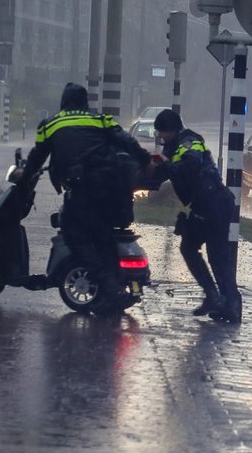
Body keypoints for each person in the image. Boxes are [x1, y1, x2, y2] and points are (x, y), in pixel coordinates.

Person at [17, 83, 151, 313]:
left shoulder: (50, 124)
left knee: (74, 235)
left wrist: (25, 176)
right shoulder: (101, 119)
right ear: (84, 102)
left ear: (64, 101)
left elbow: (37, 156)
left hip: (84, 190)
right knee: (103, 239)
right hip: (113, 189)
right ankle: (112, 294)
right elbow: (127, 142)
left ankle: (112, 289)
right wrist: (146, 160)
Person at [147, 109, 241, 324]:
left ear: (171, 130)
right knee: (190, 247)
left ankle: (229, 303)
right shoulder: (172, 146)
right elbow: (162, 174)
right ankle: (216, 298)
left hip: (214, 203)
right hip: (204, 204)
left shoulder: (190, 141)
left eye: (162, 133)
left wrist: (167, 164)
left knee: (216, 255)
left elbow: (190, 162)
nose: (160, 137)